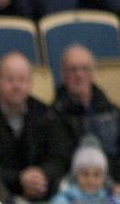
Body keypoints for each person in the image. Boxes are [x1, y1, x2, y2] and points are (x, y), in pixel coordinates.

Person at [0, 52, 66, 202]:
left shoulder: (45, 113)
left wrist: (42, 174)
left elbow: (60, 155)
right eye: (10, 79)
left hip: (41, 190)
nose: (17, 86)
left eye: (22, 80)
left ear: (30, 83)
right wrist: (18, 178)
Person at [50, 46, 120, 190]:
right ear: (63, 74)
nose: (79, 75)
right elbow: (58, 162)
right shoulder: (51, 116)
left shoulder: (112, 112)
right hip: (72, 191)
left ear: (93, 73)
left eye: (85, 69)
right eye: (73, 69)